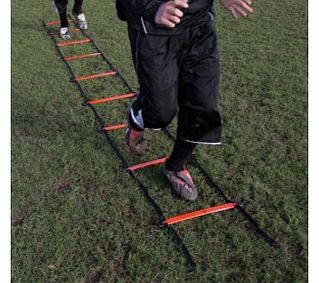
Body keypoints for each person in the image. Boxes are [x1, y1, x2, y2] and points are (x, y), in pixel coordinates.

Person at [116, 0, 254, 201]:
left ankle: (175, 166)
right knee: (160, 114)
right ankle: (138, 117)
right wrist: (153, 9)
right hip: (155, 32)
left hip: (200, 29)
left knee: (204, 109)